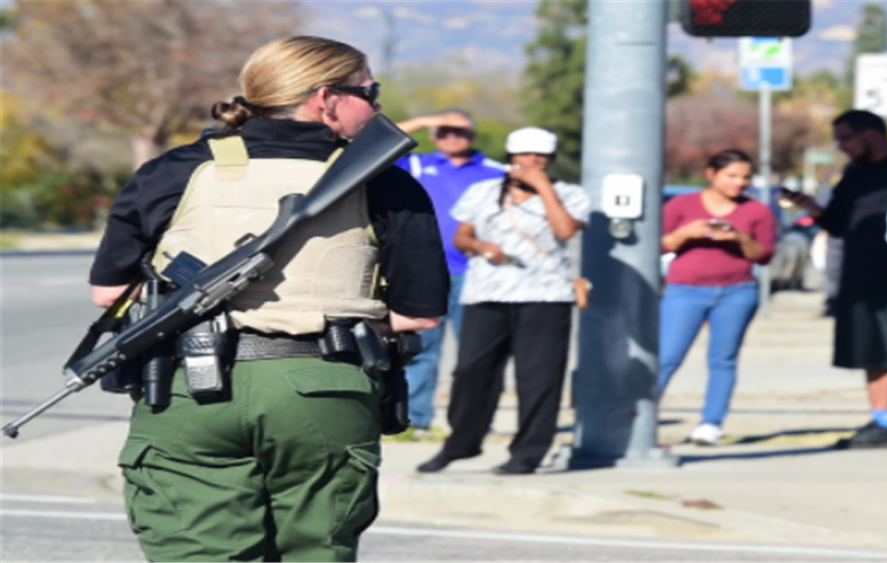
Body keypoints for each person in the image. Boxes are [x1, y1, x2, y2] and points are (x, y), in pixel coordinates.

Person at [88, 36, 449, 562]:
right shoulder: (386, 184)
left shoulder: (176, 169)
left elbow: (109, 292)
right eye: (369, 92)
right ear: (327, 99)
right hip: (325, 386)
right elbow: (420, 313)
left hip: (188, 387)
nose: (376, 105)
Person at [415, 127, 590, 475]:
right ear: (512, 157)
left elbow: (565, 231)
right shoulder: (482, 192)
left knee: (538, 377)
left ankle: (527, 454)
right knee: (471, 371)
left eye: (541, 157)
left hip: (545, 295)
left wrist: (543, 188)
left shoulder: (569, 194)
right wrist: (481, 247)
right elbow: (462, 236)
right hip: (486, 292)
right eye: (526, 156)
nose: (533, 162)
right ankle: (461, 443)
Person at [784, 110, 887, 453]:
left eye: (845, 138)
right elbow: (838, 224)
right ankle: (882, 422)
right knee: (871, 351)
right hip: (860, 276)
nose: (841, 146)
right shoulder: (853, 172)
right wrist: (812, 207)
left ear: (871, 133)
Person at [393, 110, 506, 432]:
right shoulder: (416, 164)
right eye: (444, 131)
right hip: (426, 271)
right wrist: (426, 120)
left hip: (479, 274)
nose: (453, 136)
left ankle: (473, 422)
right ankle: (417, 420)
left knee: (476, 354)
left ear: (474, 134)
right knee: (422, 350)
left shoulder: (496, 172)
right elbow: (373, 143)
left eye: (461, 131)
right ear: (433, 134)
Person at [657, 149, 776, 446]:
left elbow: (763, 256)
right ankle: (640, 418)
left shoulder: (756, 211)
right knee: (667, 356)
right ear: (711, 174)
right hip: (684, 291)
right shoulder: (681, 204)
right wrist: (686, 232)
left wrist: (739, 237)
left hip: (737, 292)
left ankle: (711, 423)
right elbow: (659, 245)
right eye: (731, 176)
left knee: (723, 359)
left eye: (745, 177)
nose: (739, 183)